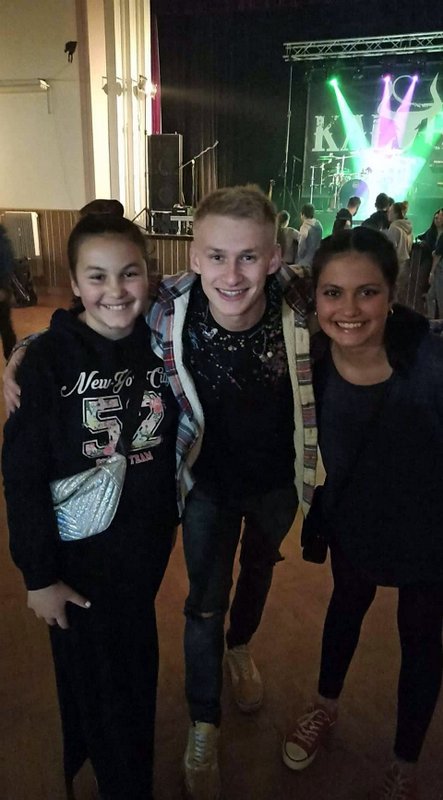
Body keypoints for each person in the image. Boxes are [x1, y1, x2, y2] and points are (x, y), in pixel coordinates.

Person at [2, 214, 179, 800]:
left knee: (134, 669)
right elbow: (21, 476)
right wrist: (38, 575)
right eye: (97, 276)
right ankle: (117, 779)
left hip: (143, 551)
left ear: (150, 275)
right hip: (76, 560)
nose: (116, 290)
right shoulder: (47, 361)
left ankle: (112, 770)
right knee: (95, 677)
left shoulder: (164, 340)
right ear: (75, 282)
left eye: (130, 273)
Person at [148, 185, 317, 800]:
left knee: (260, 570)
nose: (232, 274)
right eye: (217, 256)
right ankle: (204, 722)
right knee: (202, 604)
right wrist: (25, 351)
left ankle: (240, 647)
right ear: (194, 256)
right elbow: (93, 321)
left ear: (274, 257)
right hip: (207, 486)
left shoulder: (302, 300)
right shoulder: (167, 305)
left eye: (248, 257)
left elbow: (374, 314)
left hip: (277, 484)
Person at [282, 227, 443, 800]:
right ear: (316, 297)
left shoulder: (430, 359)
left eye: (367, 292)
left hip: (431, 532)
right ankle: (324, 706)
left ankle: (404, 761)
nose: (348, 310)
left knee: (422, 640)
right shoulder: (312, 360)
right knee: (345, 610)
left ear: (392, 294)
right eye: (333, 293)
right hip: (354, 518)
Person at [386, 201, 413, 304]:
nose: (388, 213)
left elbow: (390, 249)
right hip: (406, 265)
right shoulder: (408, 229)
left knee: (392, 297)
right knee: (401, 296)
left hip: (396, 266)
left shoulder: (394, 228)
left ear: (396, 214)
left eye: (390, 211)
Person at [0, 223, 17, 359]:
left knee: (5, 326)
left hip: (1, 288)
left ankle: (12, 359)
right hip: (3, 288)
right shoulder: (4, 240)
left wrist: (2, 288)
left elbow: (5, 267)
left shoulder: (2, 242)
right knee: (5, 325)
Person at [294, 203, 323, 270]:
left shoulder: (305, 226)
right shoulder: (319, 225)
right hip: (316, 259)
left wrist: (300, 254)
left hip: (305, 261)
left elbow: (302, 241)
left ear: (303, 214)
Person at [426, 233, 443, 319]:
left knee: (440, 298)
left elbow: (438, 255)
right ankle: (431, 319)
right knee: (430, 295)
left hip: (441, 270)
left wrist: (431, 272)